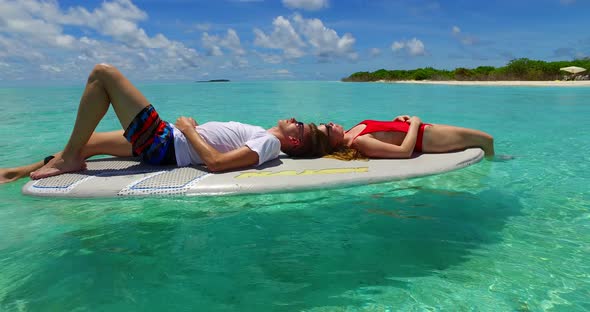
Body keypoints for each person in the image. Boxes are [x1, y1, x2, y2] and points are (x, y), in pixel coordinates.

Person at [0, 64, 327, 184]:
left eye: (300, 126)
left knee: (104, 75)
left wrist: (186, 130)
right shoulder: (264, 136)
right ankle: (17, 172)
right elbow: (217, 148)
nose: (295, 120)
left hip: (165, 142)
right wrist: (196, 131)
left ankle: (68, 160)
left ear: (294, 142)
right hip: (170, 140)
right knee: (91, 142)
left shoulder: (269, 144)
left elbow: (216, 164)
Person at [314, 115, 494, 160]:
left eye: (326, 122)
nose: (331, 122)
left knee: (485, 140)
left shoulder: (352, 131)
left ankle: (492, 159)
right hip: (427, 138)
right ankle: (492, 163)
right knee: (487, 140)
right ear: (332, 141)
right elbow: (404, 151)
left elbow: (385, 132)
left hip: (424, 129)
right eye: (328, 127)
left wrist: (397, 120)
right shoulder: (359, 142)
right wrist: (415, 123)